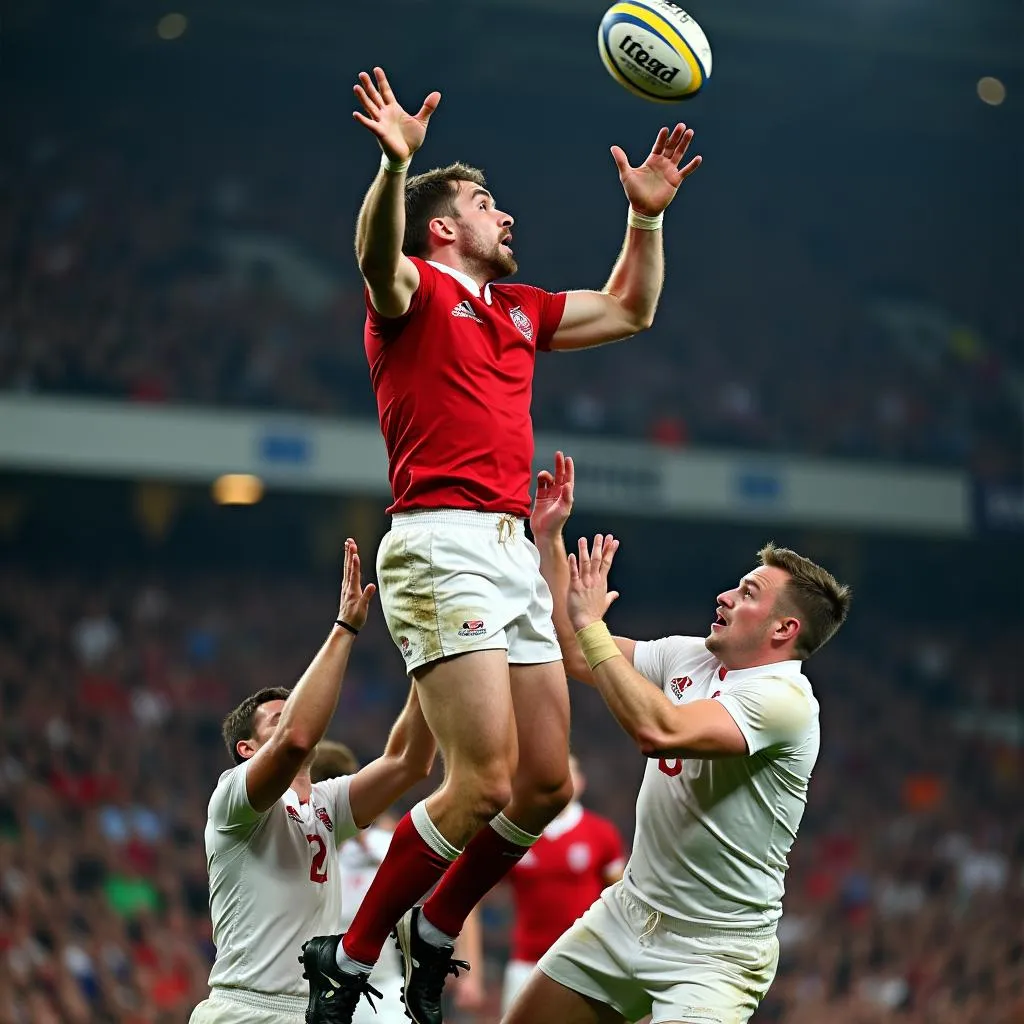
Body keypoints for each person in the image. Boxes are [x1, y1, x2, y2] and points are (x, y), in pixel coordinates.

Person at [301, 66, 702, 1024]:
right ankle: (351, 956)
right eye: (484, 202)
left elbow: (630, 309)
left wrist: (644, 219)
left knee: (545, 782)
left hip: (514, 547)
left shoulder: (519, 309)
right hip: (441, 541)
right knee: (477, 781)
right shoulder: (413, 291)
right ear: (444, 225)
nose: (503, 213)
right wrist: (396, 167)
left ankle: (433, 930)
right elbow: (374, 255)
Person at [504, 453, 852, 1024]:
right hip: (629, 912)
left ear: (783, 629)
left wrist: (592, 624)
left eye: (746, 594)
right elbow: (572, 651)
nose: (725, 597)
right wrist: (549, 541)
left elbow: (659, 730)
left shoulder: (785, 701)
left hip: (715, 952)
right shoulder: (688, 655)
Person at [189, 540, 436, 1024]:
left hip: (311, 1012)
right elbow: (298, 739)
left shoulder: (326, 802)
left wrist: (430, 650)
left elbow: (410, 762)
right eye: (274, 721)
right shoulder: (234, 798)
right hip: (244, 1009)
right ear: (247, 749)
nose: (289, 724)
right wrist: (345, 628)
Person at [499, 753, 627, 1014]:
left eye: (566, 773)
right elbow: (475, 895)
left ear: (580, 782)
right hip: (526, 963)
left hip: (587, 961)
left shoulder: (601, 833)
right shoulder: (515, 834)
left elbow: (623, 899)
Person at [310, 741, 406, 1024]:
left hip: (383, 989)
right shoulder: (299, 848)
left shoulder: (384, 847)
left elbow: (438, 890)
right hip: (315, 991)